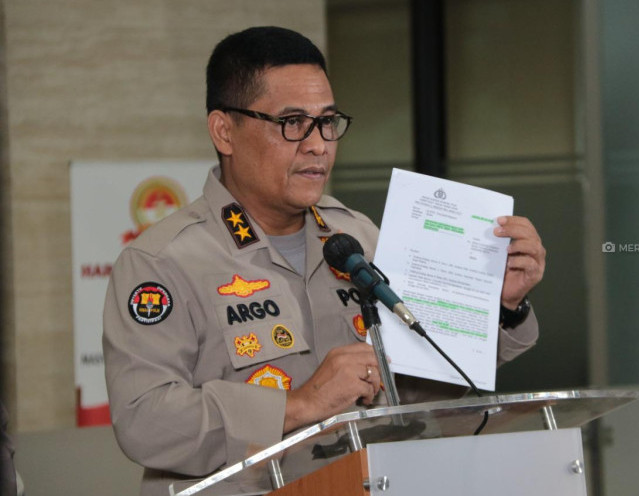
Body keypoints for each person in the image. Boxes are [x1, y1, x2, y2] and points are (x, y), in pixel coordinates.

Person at [103, 26, 546, 495]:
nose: (319, 144)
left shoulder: (356, 238)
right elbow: (145, 422)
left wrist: (495, 306)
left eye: (328, 122)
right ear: (224, 131)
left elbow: (414, 391)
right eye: (293, 122)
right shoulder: (162, 262)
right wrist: (300, 403)